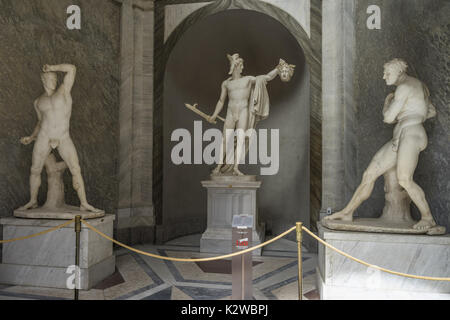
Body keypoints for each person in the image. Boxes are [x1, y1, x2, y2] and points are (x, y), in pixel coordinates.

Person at [324, 58, 437, 231]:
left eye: (387, 73)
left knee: (404, 179)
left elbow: (388, 118)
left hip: (411, 135)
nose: (384, 77)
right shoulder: (419, 86)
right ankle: (347, 212)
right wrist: (412, 114)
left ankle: (428, 218)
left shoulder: (404, 87)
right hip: (401, 136)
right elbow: (431, 111)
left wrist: (387, 105)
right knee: (370, 173)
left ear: (399, 72)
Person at [19, 64, 101, 213]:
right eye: (50, 78)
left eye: (55, 78)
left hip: (63, 137)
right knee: (35, 169)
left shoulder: (63, 91)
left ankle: (84, 202)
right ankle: (33, 200)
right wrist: (31, 137)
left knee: (75, 169)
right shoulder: (38, 102)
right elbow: (40, 122)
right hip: (44, 136)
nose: (54, 80)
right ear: (43, 80)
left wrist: (52, 67)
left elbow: (72, 69)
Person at [208, 54, 291, 176]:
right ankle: (219, 166)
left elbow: (266, 78)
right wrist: (214, 115)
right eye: (241, 66)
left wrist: (277, 69)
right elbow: (221, 101)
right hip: (231, 112)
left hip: (243, 111)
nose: (242, 68)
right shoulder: (226, 83)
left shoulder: (248, 80)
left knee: (241, 138)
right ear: (236, 67)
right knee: (225, 140)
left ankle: (235, 167)